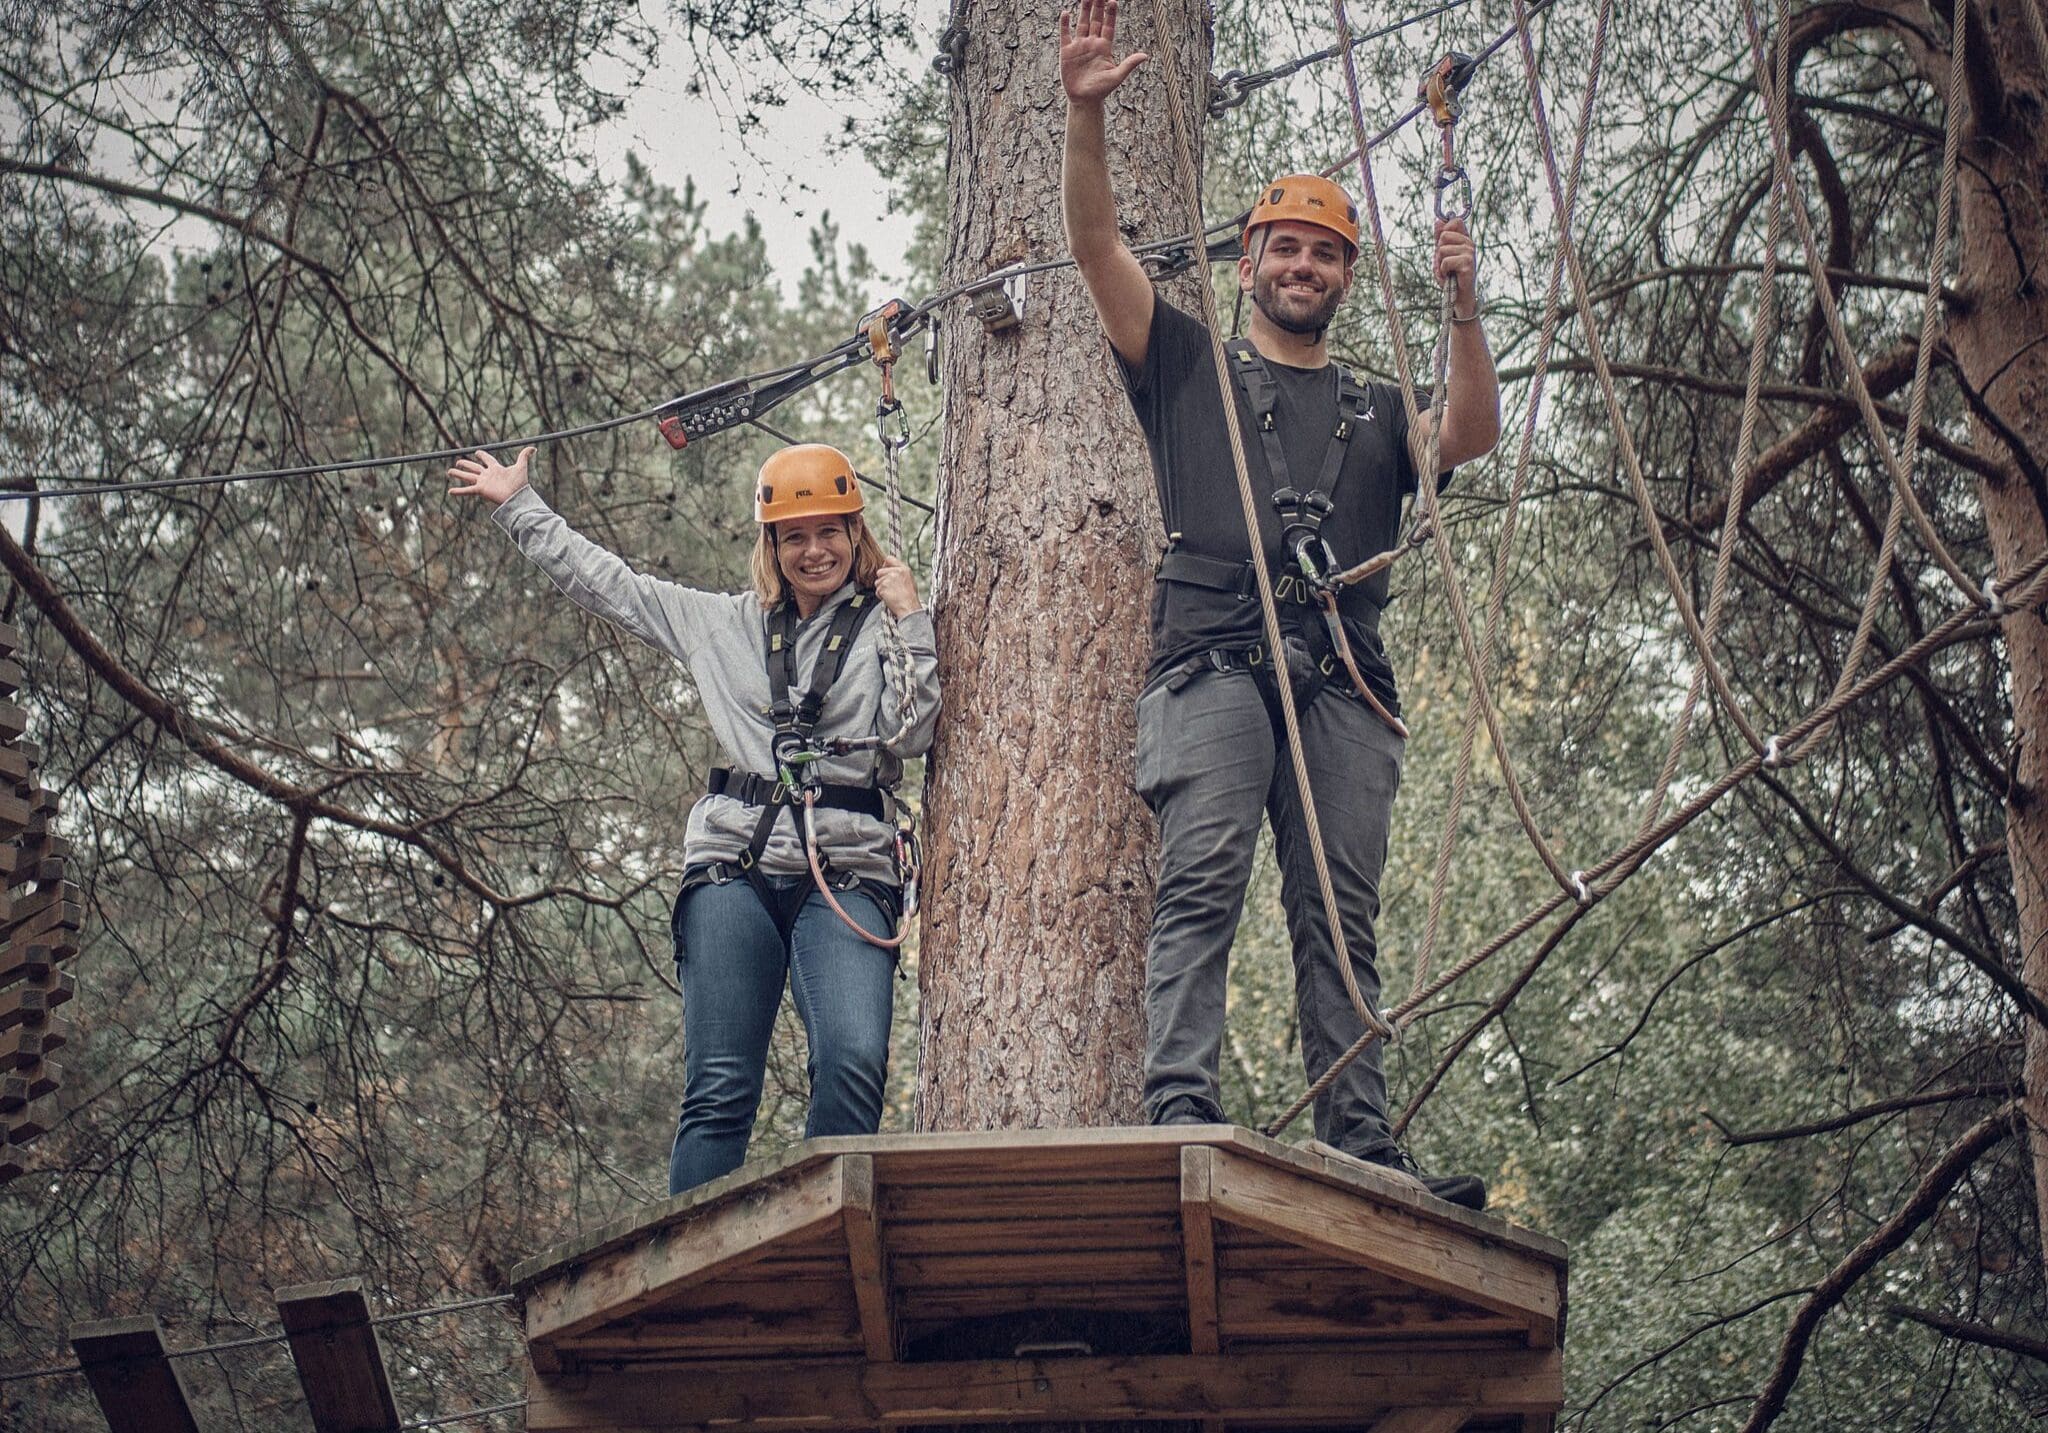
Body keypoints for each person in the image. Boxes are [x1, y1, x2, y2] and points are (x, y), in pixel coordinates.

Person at [1058, 0, 1501, 1207]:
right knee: (1202, 872)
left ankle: (1359, 1135)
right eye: (1282, 248)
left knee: (1337, 911)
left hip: (1340, 682)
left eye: (1324, 252)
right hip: (1210, 662)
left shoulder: (1372, 406)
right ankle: (1178, 1108)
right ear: (1245, 262)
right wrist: (1084, 116)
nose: (1300, 266)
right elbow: (1097, 251)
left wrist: (1462, 305)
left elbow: (1467, 429)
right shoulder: (1188, 365)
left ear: (1346, 275)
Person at [448, 441, 939, 1195]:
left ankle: (824, 1248)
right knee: (719, 1087)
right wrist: (520, 507)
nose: (816, 551)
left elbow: (912, 734)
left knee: (852, 1061)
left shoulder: (883, 626)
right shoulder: (723, 625)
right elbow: (612, 586)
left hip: (846, 871)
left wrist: (910, 619)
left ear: (855, 532)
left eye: (830, 531)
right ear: (770, 546)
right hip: (733, 869)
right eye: (795, 536)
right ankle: (699, 1276)